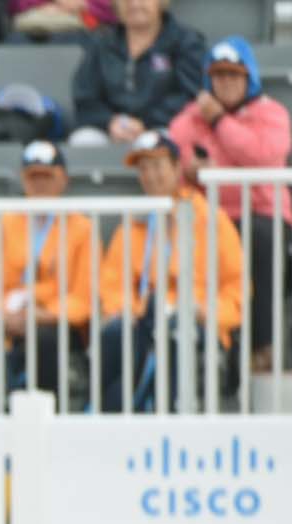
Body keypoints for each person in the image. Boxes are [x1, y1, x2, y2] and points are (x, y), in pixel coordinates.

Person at [168, 36, 292, 369]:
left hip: (259, 216)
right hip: (208, 219)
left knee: (259, 240)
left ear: (248, 77)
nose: (225, 82)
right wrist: (190, 168)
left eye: (233, 75)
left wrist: (219, 124)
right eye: (218, 75)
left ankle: (260, 346)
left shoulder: (272, 113)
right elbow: (173, 150)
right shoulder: (191, 116)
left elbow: (260, 155)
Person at [97, 130, 242, 412]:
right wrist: (132, 310)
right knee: (116, 333)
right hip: (142, 320)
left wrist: (205, 310)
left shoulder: (212, 220)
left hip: (195, 321)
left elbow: (235, 289)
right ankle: (109, 418)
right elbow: (113, 285)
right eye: (143, 168)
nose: (150, 175)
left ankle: (169, 419)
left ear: (177, 168)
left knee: (176, 334)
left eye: (158, 165)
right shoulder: (132, 224)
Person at [0, 140, 94, 410]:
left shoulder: (82, 229)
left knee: (46, 339)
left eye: (47, 177)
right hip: (7, 317)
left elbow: (83, 297)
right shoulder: (0, 226)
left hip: (55, 321)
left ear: (63, 180)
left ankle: (50, 415)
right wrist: (5, 312)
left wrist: (44, 313)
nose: (40, 185)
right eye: (33, 177)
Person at [69, 0, 204, 145]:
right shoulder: (102, 43)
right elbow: (85, 96)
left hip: (164, 127)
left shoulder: (186, 42)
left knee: (151, 143)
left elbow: (191, 94)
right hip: (111, 129)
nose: (134, 3)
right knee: (83, 140)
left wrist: (146, 122)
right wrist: (110, 121)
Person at [7, 0, 112, 41]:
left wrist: (84, 5)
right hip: (33, 32)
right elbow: (14, 5)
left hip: (86, 27)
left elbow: (115, 10)